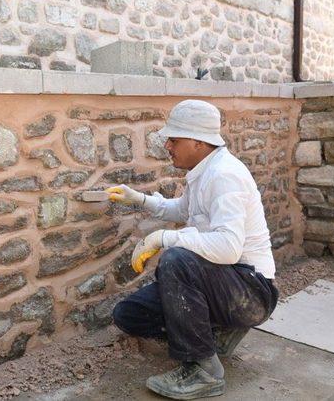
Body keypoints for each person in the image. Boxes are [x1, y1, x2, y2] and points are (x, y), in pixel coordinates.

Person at [106, 99, 278, 400]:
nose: (168, 146)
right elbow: (181, 209)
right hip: (224, 286)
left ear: (198, 142)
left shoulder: (224, 175)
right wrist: (140, 200)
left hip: (251, 292)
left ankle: (204, 370)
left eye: (174, 139)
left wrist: (163, 239)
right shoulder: (203, 172)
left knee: (177, 260)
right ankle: (217, 335)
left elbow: (227, 248)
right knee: (129, 314)